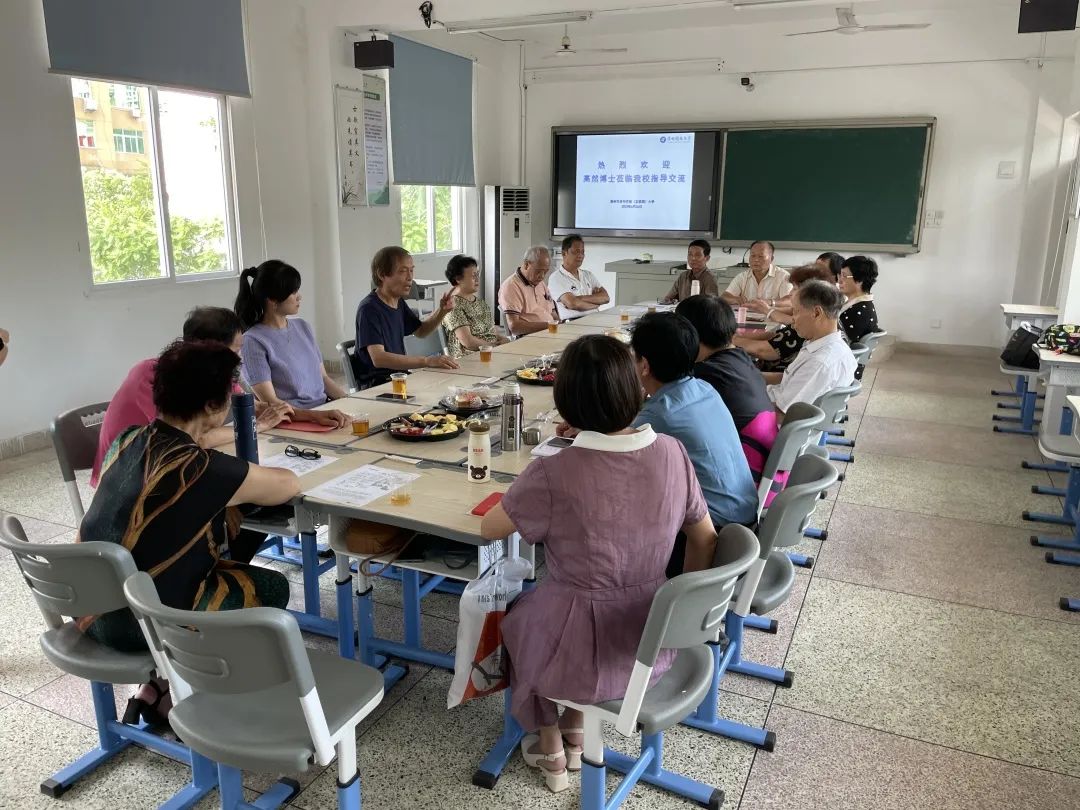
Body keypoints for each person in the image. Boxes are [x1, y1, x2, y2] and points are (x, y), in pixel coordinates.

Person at [479, 335, 717, 793]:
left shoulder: (553, 471)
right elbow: (705, 538)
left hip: (582, 649)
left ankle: (550, 745)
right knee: (561, 617)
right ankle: (574, 728)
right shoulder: (672, 452)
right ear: (635, 389)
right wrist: (680, 614)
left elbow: (492, 527)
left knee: (524, 618)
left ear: (566, 403)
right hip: (654, 638)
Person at [79, 340, 302, 725]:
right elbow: (287, 484)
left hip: (89, 609)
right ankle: (199, 690)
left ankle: (160, 686)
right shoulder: (201, 469)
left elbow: (190, 444)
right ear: (215, 406)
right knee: (272, 586)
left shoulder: (128, 439)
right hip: (139, 626)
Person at [90, 307, 292, 487]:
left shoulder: (213, 372)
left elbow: (247, 404)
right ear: (211, 351)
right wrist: (258, 426)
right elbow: (192, 438)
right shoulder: (155, 375)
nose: (239, 358)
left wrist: (297, 414)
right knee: (243, 486)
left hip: (172, 459)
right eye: (235, 350)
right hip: (130, 475)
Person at [629, 313, 758, 575]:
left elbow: (612, 451)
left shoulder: (659, 415)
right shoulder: (703, 388)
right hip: (744, 527)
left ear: (644, 365)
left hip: (711, 542)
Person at [675, 295, 781, 494]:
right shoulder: (741, 359)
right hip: (767, 478)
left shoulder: (706, 374)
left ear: (688, 335)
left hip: (742, 489)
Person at [236, 260, 349, 427]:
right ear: (272, 300)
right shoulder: (252, 341)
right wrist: (316, 416)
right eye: (293, 292)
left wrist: (349, 401)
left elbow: (324, 379)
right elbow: (272, 404)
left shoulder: (303, 326)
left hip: (322, 411)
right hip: (293, 422)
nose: (299, 296)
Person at [353, 246, 460, 388]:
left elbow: (421, 331)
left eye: (411, 270)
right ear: (382, 274)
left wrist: (442, 311)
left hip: (399, 378)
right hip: (378, 384)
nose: (410, 278)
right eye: (403, 271)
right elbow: (379, 358)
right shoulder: (369, 308)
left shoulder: (398, 302)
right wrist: (426, 361)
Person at [764, 280, 857, 421]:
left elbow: (783, 414)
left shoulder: (819, 363)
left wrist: (743, 401)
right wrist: (752, 377)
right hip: (771, 401)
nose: (793, 320)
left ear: (816, 313)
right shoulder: (834, 346)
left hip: (771, 422)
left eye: (796, 311)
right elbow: (792, 380)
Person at [733, 264, 835, 370]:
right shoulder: (815, 320)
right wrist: (738, 337)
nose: (790, 293)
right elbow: (774, 336)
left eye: (795, 288)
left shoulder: (807, 326)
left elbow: (763, 350)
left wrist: (731, 340)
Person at [441, 254, 510, 359]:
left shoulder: (480, 303)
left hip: (489, 353)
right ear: (458, 279)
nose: (478, 279)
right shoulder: (453, 305)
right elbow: (468, 342)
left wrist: (503, 339)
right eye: (473, 276)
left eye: (478, 274)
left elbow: (491, 332)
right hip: (469, 358)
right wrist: (495, 346)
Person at [498, 245, 558, 337]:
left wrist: (560, 325)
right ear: (526, 265)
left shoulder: (540, 283)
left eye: (545, 272)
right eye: (538, 271)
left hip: (549, 333)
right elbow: (514, 326)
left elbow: (553, 313)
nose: (542, 276)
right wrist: (550, 326)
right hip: (530, 336)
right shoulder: (511, 286)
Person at [546, 235, 609, 321]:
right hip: (573, 322)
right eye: (576, 252)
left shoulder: (588, 275)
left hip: (594, 319)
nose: (580, 255)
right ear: (564, 253)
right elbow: (573, 304)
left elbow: (605, 298)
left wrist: (580, 298)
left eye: (582, 252)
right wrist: (596, 304)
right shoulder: (556, 277)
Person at [722, 240, 791, 309]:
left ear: (771, 259)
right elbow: (724, 296)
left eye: (761, 256)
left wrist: (770, 302)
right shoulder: (742, 277)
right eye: (753, 256)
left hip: (772, 315)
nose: (756, 260)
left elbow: (790, 300)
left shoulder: (783, 276)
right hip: (748, 315)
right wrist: (735, 299)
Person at [662, 239, 719, 303]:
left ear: (707, 258)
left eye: (698, 255)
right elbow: (668, 299)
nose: (693, 258)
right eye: (690, 254)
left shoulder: (710, 278)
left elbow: (711, 304)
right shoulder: (683, 276)